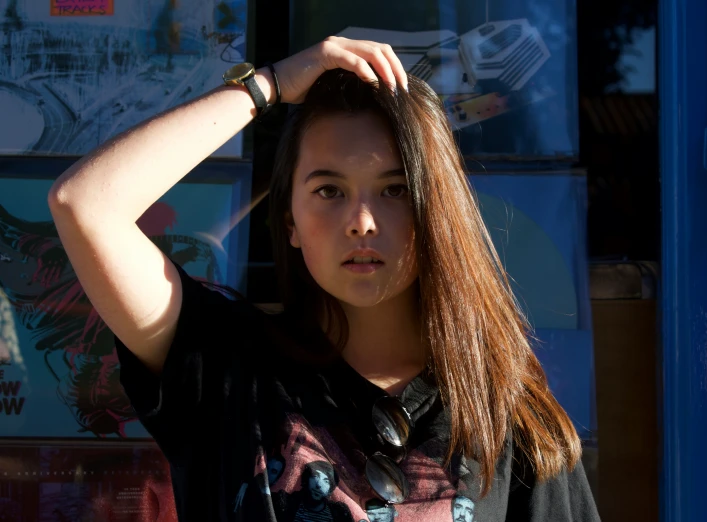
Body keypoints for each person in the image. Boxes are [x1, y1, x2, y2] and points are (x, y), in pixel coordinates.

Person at [48, 36, 600, 521]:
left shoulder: (502, 409)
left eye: (395, 189)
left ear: (438, 211)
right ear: (289, 221)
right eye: (329, 191)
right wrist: (270, 85)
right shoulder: (225, 368)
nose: (361, 220)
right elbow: (84, 204)